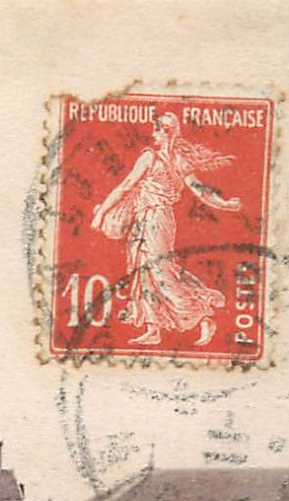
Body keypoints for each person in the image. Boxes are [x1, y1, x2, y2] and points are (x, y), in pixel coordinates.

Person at [89, 111, 243, 347]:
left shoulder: (153, 158)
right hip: (148, 218)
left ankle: (201, 314)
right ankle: (153, 328)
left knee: (160, 272)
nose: (153, 134)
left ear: (165, 132)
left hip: (156, 219)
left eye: (157, 130)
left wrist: (101, 213)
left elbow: (127, 186)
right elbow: (200, 191)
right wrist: (225, 203)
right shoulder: (171, 160)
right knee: (143, 271)